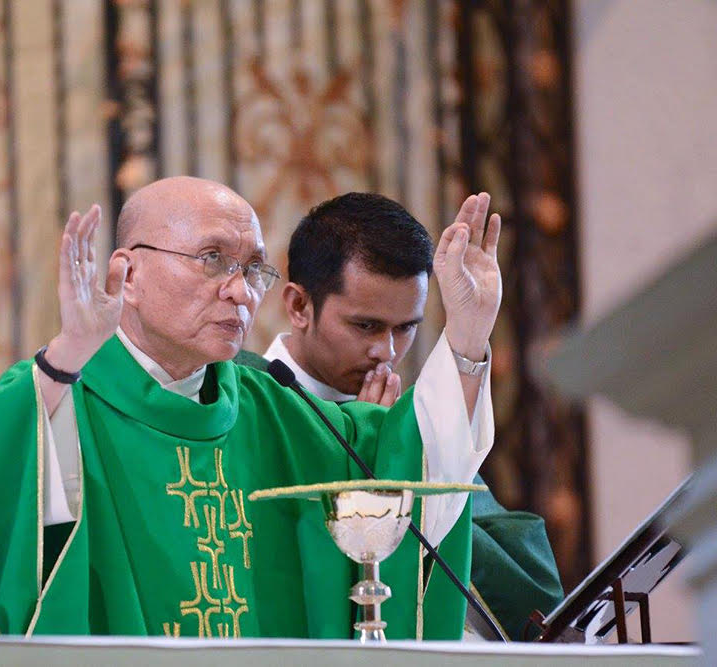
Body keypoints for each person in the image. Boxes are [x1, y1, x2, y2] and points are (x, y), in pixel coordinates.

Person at [0, 176, 502, 640]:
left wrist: (468, 336)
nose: (241, 292)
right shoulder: (56, 400)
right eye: (213, 259)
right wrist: (67, 355)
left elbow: (414, 471)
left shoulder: (288, 415)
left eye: (253, 269)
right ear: (128, 274)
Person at [234, 192, 563, 641]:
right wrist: (366, 447)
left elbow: (509, 570)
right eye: (366, 326)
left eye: (406, 327)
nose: (386, 352)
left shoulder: (411, 423)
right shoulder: (242, 401)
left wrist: (469, 329)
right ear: (298, 306)